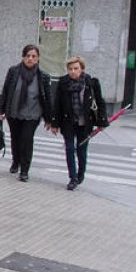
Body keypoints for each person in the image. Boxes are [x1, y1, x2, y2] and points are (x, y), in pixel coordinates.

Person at [49, 56, 107, 191]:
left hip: (85, 123)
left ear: (82, 69)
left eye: (76, 69)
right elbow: (57, 104)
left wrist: (102, 121)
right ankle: (73, 178)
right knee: (69, 149)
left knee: (81, 151)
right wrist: (54, 123)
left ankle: (81, 174)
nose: (73, 71)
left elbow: (100, 102)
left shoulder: (91, 83)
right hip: (68, 121)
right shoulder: (63, 83)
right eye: (70, 69)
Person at [0, 44, 52, 182]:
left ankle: (24, 170)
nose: (30, 59)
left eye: (33, 56)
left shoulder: (43, 76)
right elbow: (6, 90)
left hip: (33, 114)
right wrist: (1, 110)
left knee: (26, 140)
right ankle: (16, 162)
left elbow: (48, 97)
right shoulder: (14, 71)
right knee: (15, 139)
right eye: (28, 56)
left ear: (38, 59)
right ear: (23, 57)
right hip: (14, 112)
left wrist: (49, 118)